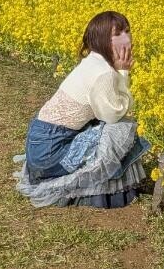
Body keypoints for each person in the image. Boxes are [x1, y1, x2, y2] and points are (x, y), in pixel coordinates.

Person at [15, 11, 149, 208]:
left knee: (106, 127)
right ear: (101, 39)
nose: (126, 38)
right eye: (117, 34)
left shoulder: (93, 61)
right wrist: (123, 73)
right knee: (121, 129)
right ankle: (108, 193)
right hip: (52, 151)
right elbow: (115, 114)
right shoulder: (102, 73)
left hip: (40, 144)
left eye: (127, 31)